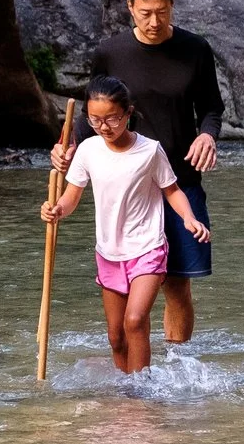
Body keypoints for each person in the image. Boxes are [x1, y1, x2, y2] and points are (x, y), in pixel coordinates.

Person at [50, 0, 224, 346]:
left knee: (177, 284)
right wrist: (69, 146)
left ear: (172, 6)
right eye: (145, 12)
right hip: (126, 183)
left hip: (179, 178)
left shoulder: (195, 49)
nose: (154, 21)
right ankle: (133, 377)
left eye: (162, 11)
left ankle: (177, 368)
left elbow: (211, 107)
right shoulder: (111, 52)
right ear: (130, 7)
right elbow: (92, 111)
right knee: (127, 297)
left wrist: (208, 135)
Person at [42, 76, 213, 372]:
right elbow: (71, 196)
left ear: (129, 113)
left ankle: (140, 394)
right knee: (116, 336)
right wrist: (56, 210)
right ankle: (126, 391)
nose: (104, 127)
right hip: (109, 252)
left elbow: (172, 190)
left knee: (134, 321)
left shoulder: (149, 150)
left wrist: (189, 218)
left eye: (112, 118)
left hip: (147, 248)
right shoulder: (88, 150)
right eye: (95, 120)